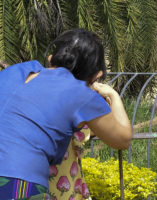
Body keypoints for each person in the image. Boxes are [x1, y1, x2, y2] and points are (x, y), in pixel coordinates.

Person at [0, 28, 132, 199]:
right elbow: (122, 139)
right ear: (96, 76)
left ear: (51, 58)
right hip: (17, 182)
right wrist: (112, 94)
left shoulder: (14, 72)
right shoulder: (80, 94)